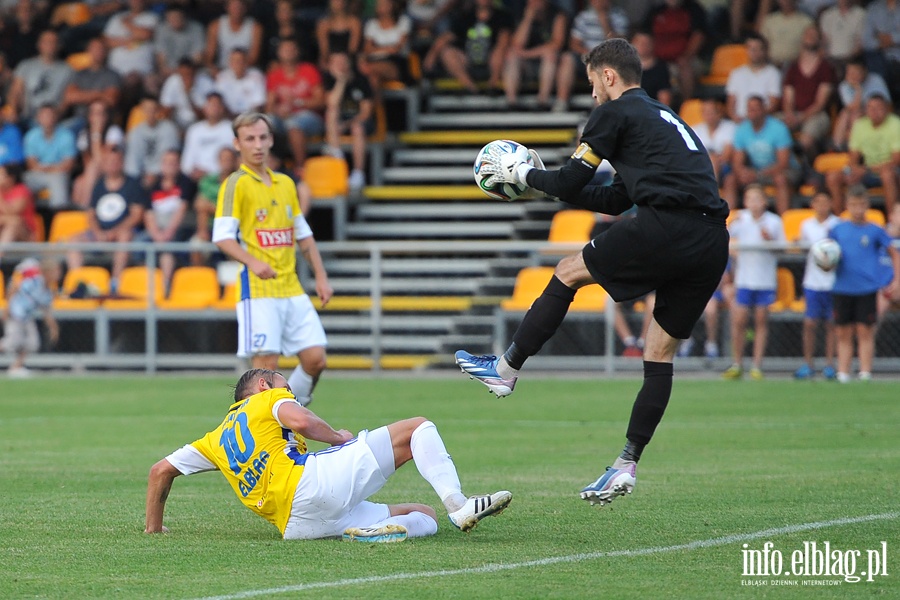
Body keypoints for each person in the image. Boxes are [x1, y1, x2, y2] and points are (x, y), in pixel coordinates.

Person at [455, 39, 729, 507]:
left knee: (566, 270)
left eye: (592, 85)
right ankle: (626, 463)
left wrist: (523, 176)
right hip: (711, 240)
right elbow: (613, 199)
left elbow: (567, 181)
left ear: (608, 76)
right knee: (658, 352)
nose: (593, 97)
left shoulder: (614, 112)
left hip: (668, 225)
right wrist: (544, 185)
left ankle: (505, 369)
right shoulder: (664, 118)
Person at [144, 368, 513, 541]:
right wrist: (338, 437)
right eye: (284, 384)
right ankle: (459, 504)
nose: (289, 391)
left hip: (296, 526)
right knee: (418, 427)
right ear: (262, 386)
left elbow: (160, 471)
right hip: (311, 484)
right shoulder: (267, 400)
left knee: (424, 516)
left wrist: (154, 528)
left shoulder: (214, 438)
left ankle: (378, 532)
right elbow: (301, 420)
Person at [212, 112, 332, 407]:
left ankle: (294, 407)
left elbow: (302, 235)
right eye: (250, 139)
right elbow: (222, 237)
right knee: (265, 370)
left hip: (291, 287)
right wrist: (253, 262)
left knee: (316, 358)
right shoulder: (235, 184)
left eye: (263, 137)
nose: (258, 145)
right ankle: (264, 429)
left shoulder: (285, 184)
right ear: (237, 143)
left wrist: (320, 275)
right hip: (259, 291)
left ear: (271, 140)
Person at [829, 186, 900, 382]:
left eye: (861, 205)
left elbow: (894, 253)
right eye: (853, 205)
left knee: (865, 331)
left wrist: (897, 279)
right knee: (843, 332)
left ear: (867, 206)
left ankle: (865, 372)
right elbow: (827, 255)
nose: (857, 209)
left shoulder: (875, 230)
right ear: (847, 206)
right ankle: (843, 372)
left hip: (867, 287)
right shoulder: (837, 230)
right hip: (842, 286)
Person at [722, 185, 785, 380]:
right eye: (749, 199)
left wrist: (769, 241)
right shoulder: (740, 219)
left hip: (765, 280)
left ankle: (757, 365)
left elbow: (782, 249)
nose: (753, 203)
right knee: (739, 320)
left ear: (764, 201)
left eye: (757, 199)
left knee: (760, 321)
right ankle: (737, 363)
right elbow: (726, 242)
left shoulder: (774, 222)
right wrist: (734, 251)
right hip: (744, 279)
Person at [67, 144, 146, 293]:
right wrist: (98, 232)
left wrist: (114, 232)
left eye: (116, 161)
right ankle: (77, 282)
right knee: (73, 240)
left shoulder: (133, 184)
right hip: (100, 234)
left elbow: (137, 215)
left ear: (122, 162)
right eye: (109, 161)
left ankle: (115, 283)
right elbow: (91, 214)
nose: (113, 165)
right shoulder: (99, 186)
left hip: (125, 233)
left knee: (125, 236)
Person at [825, 93, 900, 215]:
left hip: (890, 170)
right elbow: (853, 156)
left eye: (878, 108)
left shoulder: (896, 124)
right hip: (867, 171)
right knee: (833, 176)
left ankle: (893, 220)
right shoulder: (860, 125)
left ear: (886, 109)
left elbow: (896, 160)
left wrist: (866, 170)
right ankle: (840, 219)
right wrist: (854, 170)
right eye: (870, 107)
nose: (874, 111)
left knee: (887, 175)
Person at [794, 191, 840, 379]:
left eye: (825, 202)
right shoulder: (806, 225)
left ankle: (830, 364)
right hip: (812, 281)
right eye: (818, 202)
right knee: (810, 323)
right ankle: (808, 363)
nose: (822, 206)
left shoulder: (837, 224)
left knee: (831, 324)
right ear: (812, 204)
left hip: (832, 283)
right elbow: (801, 247)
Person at [421, 0, 513, 95]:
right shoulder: (466, 16)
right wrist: (431, 57)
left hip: (492, 61)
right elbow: (446, 37)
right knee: (447, 52)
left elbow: (503, 42)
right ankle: (471, 88)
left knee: (500, 51)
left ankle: (492, 86)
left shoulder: (502, 16)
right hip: (468, 60)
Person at [728, 95, 800, 214]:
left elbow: (783, 163)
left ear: (764, 109)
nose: (752, 112)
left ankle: (784, 221)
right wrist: (742, 172)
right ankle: (728, 221)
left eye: (755, 108)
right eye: (749, 109)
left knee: (780, 179)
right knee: (730, 179)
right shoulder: (742, 129)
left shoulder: (779, 128)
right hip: (755, 171)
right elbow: (737, 162)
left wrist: (758, 174)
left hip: (782, 170)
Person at [553, 0, 628, 114]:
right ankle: (561, 101)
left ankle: (599, 106)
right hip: (586, 57)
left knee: (606, 64)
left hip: (608, 58)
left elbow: (619, 44)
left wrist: (605, 22)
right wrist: (589, 54)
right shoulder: (583, 17)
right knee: (567, 58)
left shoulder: (619, 16)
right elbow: (574, 43)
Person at [265, 38, 326, 175]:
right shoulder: (274, 75)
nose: (288, 52)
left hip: (311, 117)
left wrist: (298, 103)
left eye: (292, 49)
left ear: (297, 52)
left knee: (294, 123)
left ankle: (300, 168)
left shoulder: (309, 70)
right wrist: (278, 110)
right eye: (285, 49)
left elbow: (321, 100)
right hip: (283, 117)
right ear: (279, 53)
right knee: (266, 121)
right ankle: (270, 164)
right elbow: (269, 106)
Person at [140, 149, 195, 293]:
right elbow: (148, 213)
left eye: (173, 162)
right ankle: (140, 286)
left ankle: (164, 288)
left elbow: (181, 211)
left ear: (178, 165)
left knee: (166, 250)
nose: (169, 166)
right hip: (156, 231)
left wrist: (168, 233)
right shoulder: (154, 185)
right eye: (166, 162)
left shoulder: (186, 183)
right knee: (137, 244)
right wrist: (156, 234)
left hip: (179, 229)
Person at [780, 25, 835, 161]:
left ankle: (806, 167)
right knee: (771, 126)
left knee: (806, 138)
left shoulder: (825, 68)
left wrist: (801, 118)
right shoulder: (793, 68)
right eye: (807, 34)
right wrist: (789, 114)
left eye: (814, 34)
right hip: (794, 113)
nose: (810, 37)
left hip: (816, 114)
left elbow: (820, 103)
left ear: (820, 40)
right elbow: (788, 98)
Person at [502, 0, 568, 112]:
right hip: (526, 64)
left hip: (550, 63)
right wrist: (528, 19)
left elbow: (556, 44)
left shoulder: (557, 14)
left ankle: (542, 101)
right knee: (511, 56)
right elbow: (517, 44)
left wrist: (527, 54)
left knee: (549, 55)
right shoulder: (521, 14)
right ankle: (511, 102)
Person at [322, 51, 375, 192]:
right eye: (336, 62)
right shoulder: (329, 80)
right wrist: (341, 81)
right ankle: (337, 155)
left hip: (360, 122)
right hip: (337, 123)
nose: (340, 65)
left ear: (349, 63)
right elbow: (332, 103)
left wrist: (346, 125)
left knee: (357, 128)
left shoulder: (361, 79)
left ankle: (358, 173)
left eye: (343, 61)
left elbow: (366, 112)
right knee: (331, 113)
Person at [0, 257, 59, 378]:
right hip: (16, 313)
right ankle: (16, 367)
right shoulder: (34, 282)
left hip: (27, 317)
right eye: (55, 271)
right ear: (47, 272)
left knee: (32, 343)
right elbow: (14, 288)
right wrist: (7, 308)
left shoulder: (48, 290)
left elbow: (46, 309)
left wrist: (53, 327)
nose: (57, 275)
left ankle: (16, 367)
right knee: (11, 342)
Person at [22, 103, 76, 208]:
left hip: (59, 173)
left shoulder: (66, 135)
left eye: (50, 115)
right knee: (23, 182)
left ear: (56, 117)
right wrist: (48, 168)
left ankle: (58, 215)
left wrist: (49, 169)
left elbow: (68, 165)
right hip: (38, 173)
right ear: (38, 118)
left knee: (57, 180)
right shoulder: (31, 136)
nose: (47, 119)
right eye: (44, 115)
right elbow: (31, 164)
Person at [831, 59, 891, 152]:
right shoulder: (844, 85)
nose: (852, 75)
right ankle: (837, 147)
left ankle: (855, 149)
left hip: (875, 114)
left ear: (864, 71)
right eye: (849, 72)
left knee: (856, 116)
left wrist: (858, 89)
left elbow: (886, 105)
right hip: (855, 118)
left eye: (855, 72)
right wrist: (858, 89)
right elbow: (852, 107)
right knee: (845, 113)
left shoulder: (876, 80)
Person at [123, 94, 180, 187]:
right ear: (142, 111)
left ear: (158, 110)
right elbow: (132, 161)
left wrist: (155, 175)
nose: (150, 113)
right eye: (146, 109)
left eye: (152, 109)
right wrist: (138, 179)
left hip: (163, 177)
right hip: (140, 178)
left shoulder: (169, 129)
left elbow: (170, 159)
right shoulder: (135, 132)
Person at [725, 34, 782, 124]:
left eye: (758, 49)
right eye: (751, 49)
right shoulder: (736, 74)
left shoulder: (773, 73)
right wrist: (735, 118)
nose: (754, 52)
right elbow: (731, 103)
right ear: (747, 50)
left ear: (764, 51)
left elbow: (773, 103)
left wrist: (755, 118)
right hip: (739, 122)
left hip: (764, 122)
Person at [180, 92, 235, 182]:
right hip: (196, 179)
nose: (214, 109)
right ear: (204, 108)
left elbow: (232, 159)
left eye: (217, 105)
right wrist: (192, 171)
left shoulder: (230, 128)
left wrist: (210, 174)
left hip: (222, 178)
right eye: (211, 105)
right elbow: (186, 162)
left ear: (222, 108)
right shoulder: (194, 130)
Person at [204, 0, 263, 72]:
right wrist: (213, 68)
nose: (237, 9)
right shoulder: (216, 25)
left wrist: (238, 70)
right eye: (233, 6)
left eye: (239, 6)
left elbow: (254, 57)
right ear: (227, 7)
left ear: (245, 8)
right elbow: (209, 55)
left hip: (246, 69)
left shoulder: (255, 27)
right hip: (222, 68)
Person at [0, 163, 37, 261]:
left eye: (1, 174)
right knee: (13, 221)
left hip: (25, 234)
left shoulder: (22, 190)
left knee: (15, 223)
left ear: (11, 178)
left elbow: (12, 212)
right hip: (3, 230)